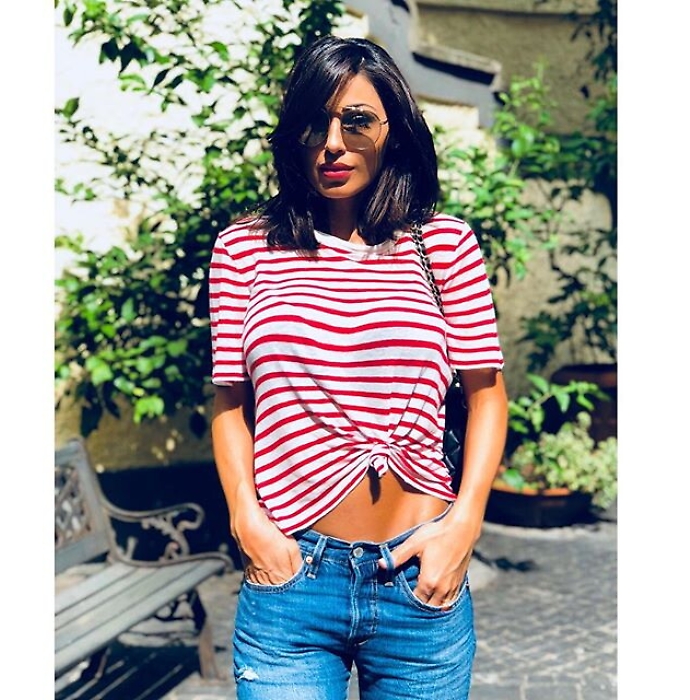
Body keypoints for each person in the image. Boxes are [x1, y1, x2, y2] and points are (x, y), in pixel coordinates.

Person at [209, 35, 508, 700]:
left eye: (356, 121)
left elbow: (488, 396)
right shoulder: (245, 250)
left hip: (419, 577)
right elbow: (230, 404)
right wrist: (247, 522)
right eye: (315, 123)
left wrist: (463, 527)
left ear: (393, 131)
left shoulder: (443, 246)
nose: (332, 145)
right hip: (291, 580)